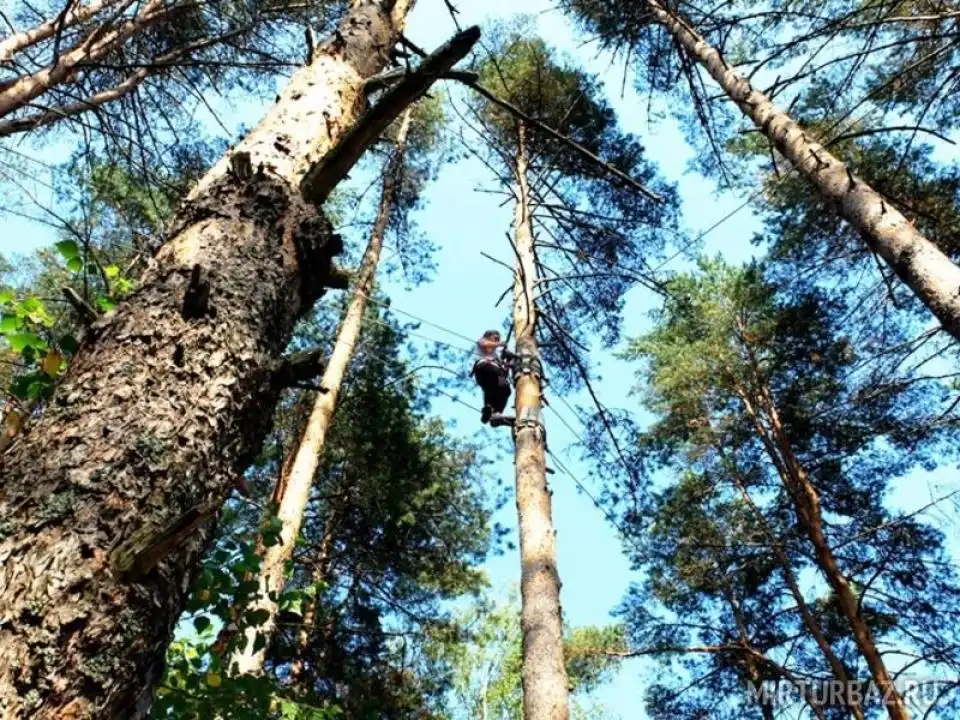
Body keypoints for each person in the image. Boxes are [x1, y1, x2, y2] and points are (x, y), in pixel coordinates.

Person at [471, 329, 515, 427]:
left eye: (498, 339)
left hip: (486, 375)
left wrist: (509, 361)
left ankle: (492, 413)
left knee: (503, 390)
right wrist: (500, 344)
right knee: (500, 386)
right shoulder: (482, 341)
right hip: (486, 367)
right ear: (488, 336)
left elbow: (504, 375)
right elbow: (484, 345)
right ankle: (494, 412)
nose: (496, 341)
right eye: (495, 338)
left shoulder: (496, 356)